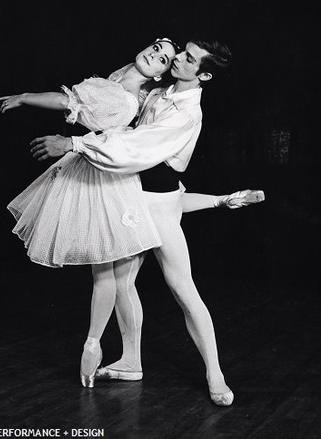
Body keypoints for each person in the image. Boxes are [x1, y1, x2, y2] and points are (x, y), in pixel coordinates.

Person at [29, 36, 264, 406]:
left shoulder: (187, 114)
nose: (179, 61)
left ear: (203, 76)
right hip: (130, 198)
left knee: (183, 291)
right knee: (122, 283)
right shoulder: (159, 92)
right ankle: (131, 361)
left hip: (158, 207)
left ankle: (215, 374)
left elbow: (136, 151)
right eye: (181, 53)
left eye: (189, 59)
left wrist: (74, 144)